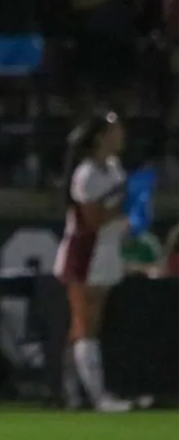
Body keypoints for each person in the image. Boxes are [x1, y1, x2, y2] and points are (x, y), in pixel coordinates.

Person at [53, 112, 145, 413]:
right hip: (85, 253)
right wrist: (127, 205)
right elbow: (92, 220)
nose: (121, 135)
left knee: (88, 325)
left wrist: (132, 219)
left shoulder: (114, 170)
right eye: (115, 130)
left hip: (106, 252)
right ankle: (98, 396)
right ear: (99, 138)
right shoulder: (87, 174)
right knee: (85, 324)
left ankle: (71, 392)